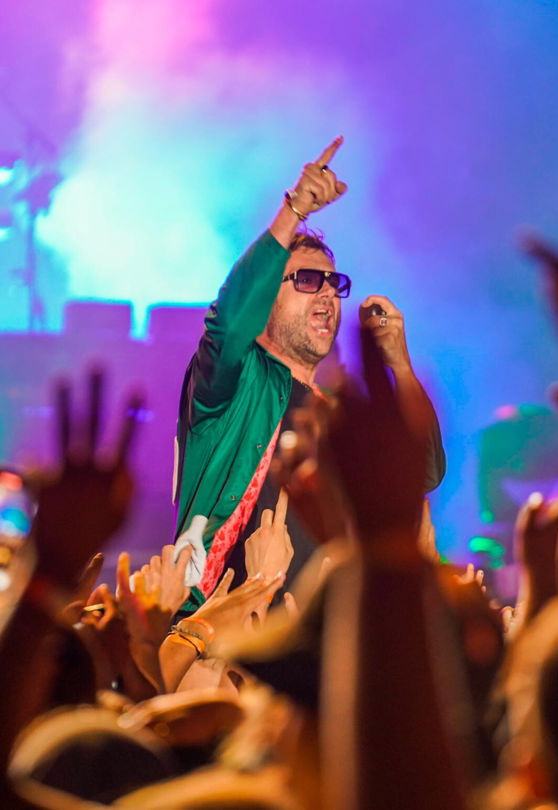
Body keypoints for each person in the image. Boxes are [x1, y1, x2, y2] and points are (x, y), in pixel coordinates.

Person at [174, 137, 445, 607]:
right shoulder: (232, 385)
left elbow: (421, 471)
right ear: (265, 302)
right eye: (305, 280)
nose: (325, 295)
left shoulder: (334, 413)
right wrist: (296, 209)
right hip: (218, 647)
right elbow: (228, 323)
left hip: (312, 650)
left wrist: (398, 363)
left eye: (333, 284)